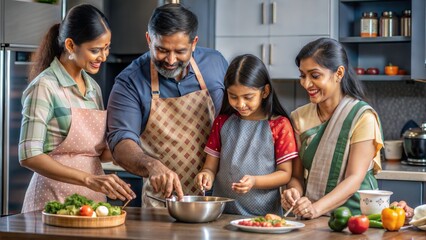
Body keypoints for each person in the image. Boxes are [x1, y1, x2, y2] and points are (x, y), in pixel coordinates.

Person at [107, 3, 228, 207]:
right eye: (162, 50)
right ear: (149, 39)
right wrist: (151, 165)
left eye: (180, 51)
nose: (171, 60)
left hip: (219, 197)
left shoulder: (215, 64)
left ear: (194, 43)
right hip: (163, 204)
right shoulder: (129, 82)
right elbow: (120, 143)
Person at [19, 4, 135, 213]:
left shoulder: (93, 89)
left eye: (107, 47)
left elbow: (99, 154)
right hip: (51, 202)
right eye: (95, 50)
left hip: (92, 201)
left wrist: (128, 142)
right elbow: (29, 155)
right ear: (71, 45)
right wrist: (88, 179)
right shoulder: (44, 87)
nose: (103, 56)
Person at [281, 38, 384, 218]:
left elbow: (354, 179)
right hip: (314, 218)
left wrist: (316, 209)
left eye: (314, 76)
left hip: (357, 217)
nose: (306, 84)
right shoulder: (299, 117)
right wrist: (294, 194)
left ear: (339, 73)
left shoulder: (362, 117)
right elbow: (296, 176)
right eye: (302, 76)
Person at [195, 54, 297, 216]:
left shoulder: (279, 125)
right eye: (233, 96)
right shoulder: (222, 122)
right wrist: (205, 175)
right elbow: (210, 167)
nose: (240, 104)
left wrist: (255, 181)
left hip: (264, 216)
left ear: (265, 92)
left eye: (248, 97)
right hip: (223, 214)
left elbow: (285, 174)